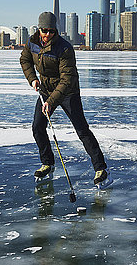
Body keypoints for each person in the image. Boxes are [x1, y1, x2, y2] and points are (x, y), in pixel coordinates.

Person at [20, 11, 108, 185]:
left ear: (55, 30)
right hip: (45, 89)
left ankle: (101, 169)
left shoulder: (64, 48)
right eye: (44, 30)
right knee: (38, 127)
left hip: (68, 91)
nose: (47, 34)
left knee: (82, 130)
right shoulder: (32, 42)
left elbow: (66, 79)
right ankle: (47, 163)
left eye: (51, 31)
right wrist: (33, 80)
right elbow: (25, 60)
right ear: (39, 29)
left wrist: (51, 102)